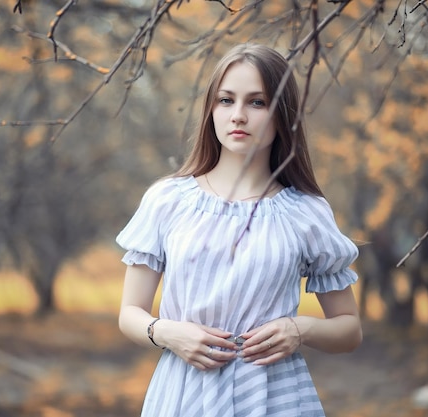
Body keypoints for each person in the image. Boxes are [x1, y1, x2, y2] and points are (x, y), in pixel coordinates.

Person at [116, 43, 362, 417]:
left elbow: (349, 331)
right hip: (184, 394)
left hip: (275, 397)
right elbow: (130, 313)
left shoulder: (305, 213)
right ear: (210, 110)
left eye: (257, 102)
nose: (238, 116)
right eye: (226, 100)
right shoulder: (167, 200)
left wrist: (300, 329)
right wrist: (167, 333)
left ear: (282, 115)